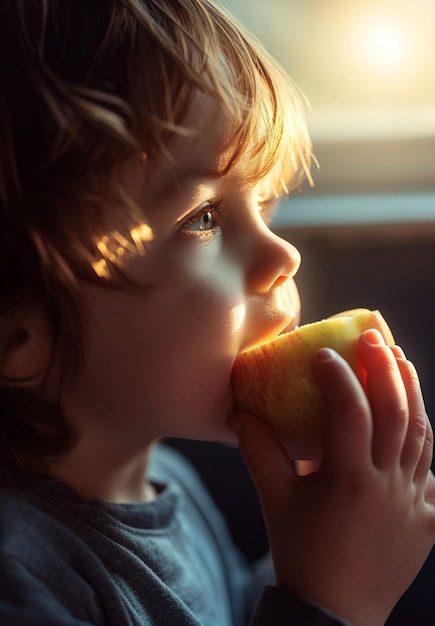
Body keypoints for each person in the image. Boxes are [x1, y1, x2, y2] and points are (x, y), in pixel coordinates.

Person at [0, 1, 434, 624]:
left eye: (265, 202)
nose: (282, 254)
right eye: (203, 219)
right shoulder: (23, 581)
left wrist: (336, 542)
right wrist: (337, 603)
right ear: (21, 331)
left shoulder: (167, 482)